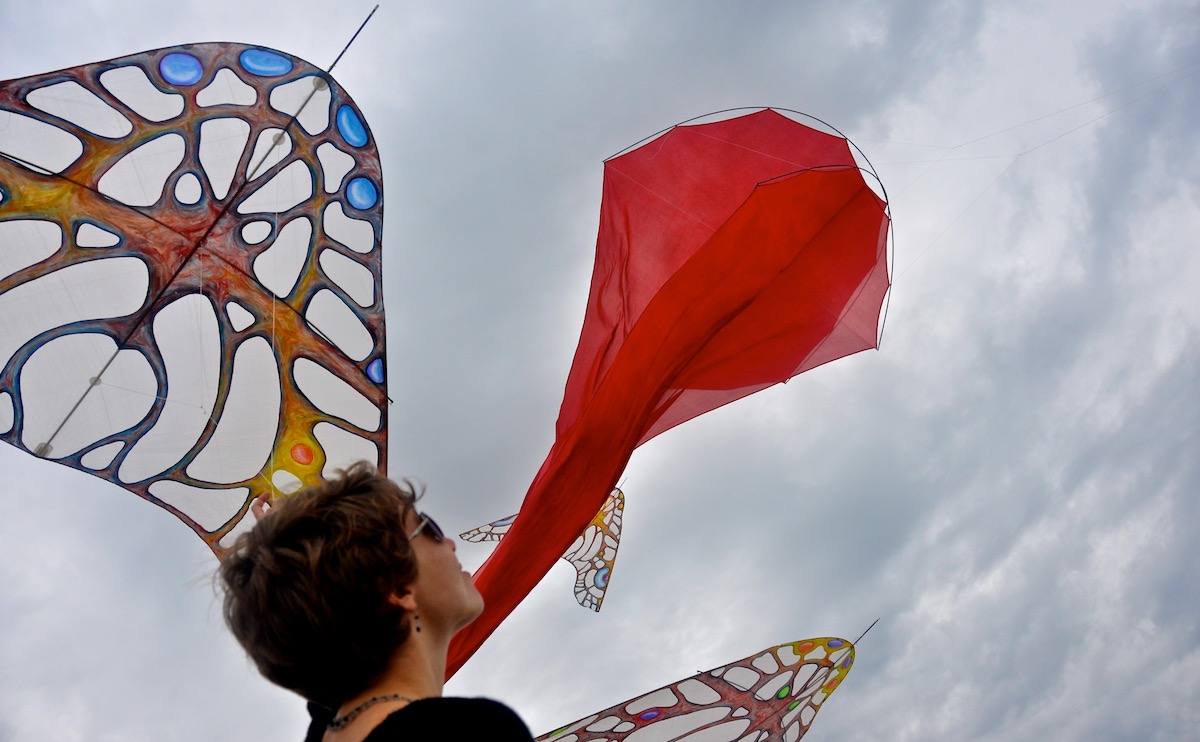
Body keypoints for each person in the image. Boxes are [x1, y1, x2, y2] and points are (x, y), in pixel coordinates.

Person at [219, 462, 535, 741]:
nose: (450, 543)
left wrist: (282, 554)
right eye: (430, 529)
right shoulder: (470, 731)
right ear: (397, 590)